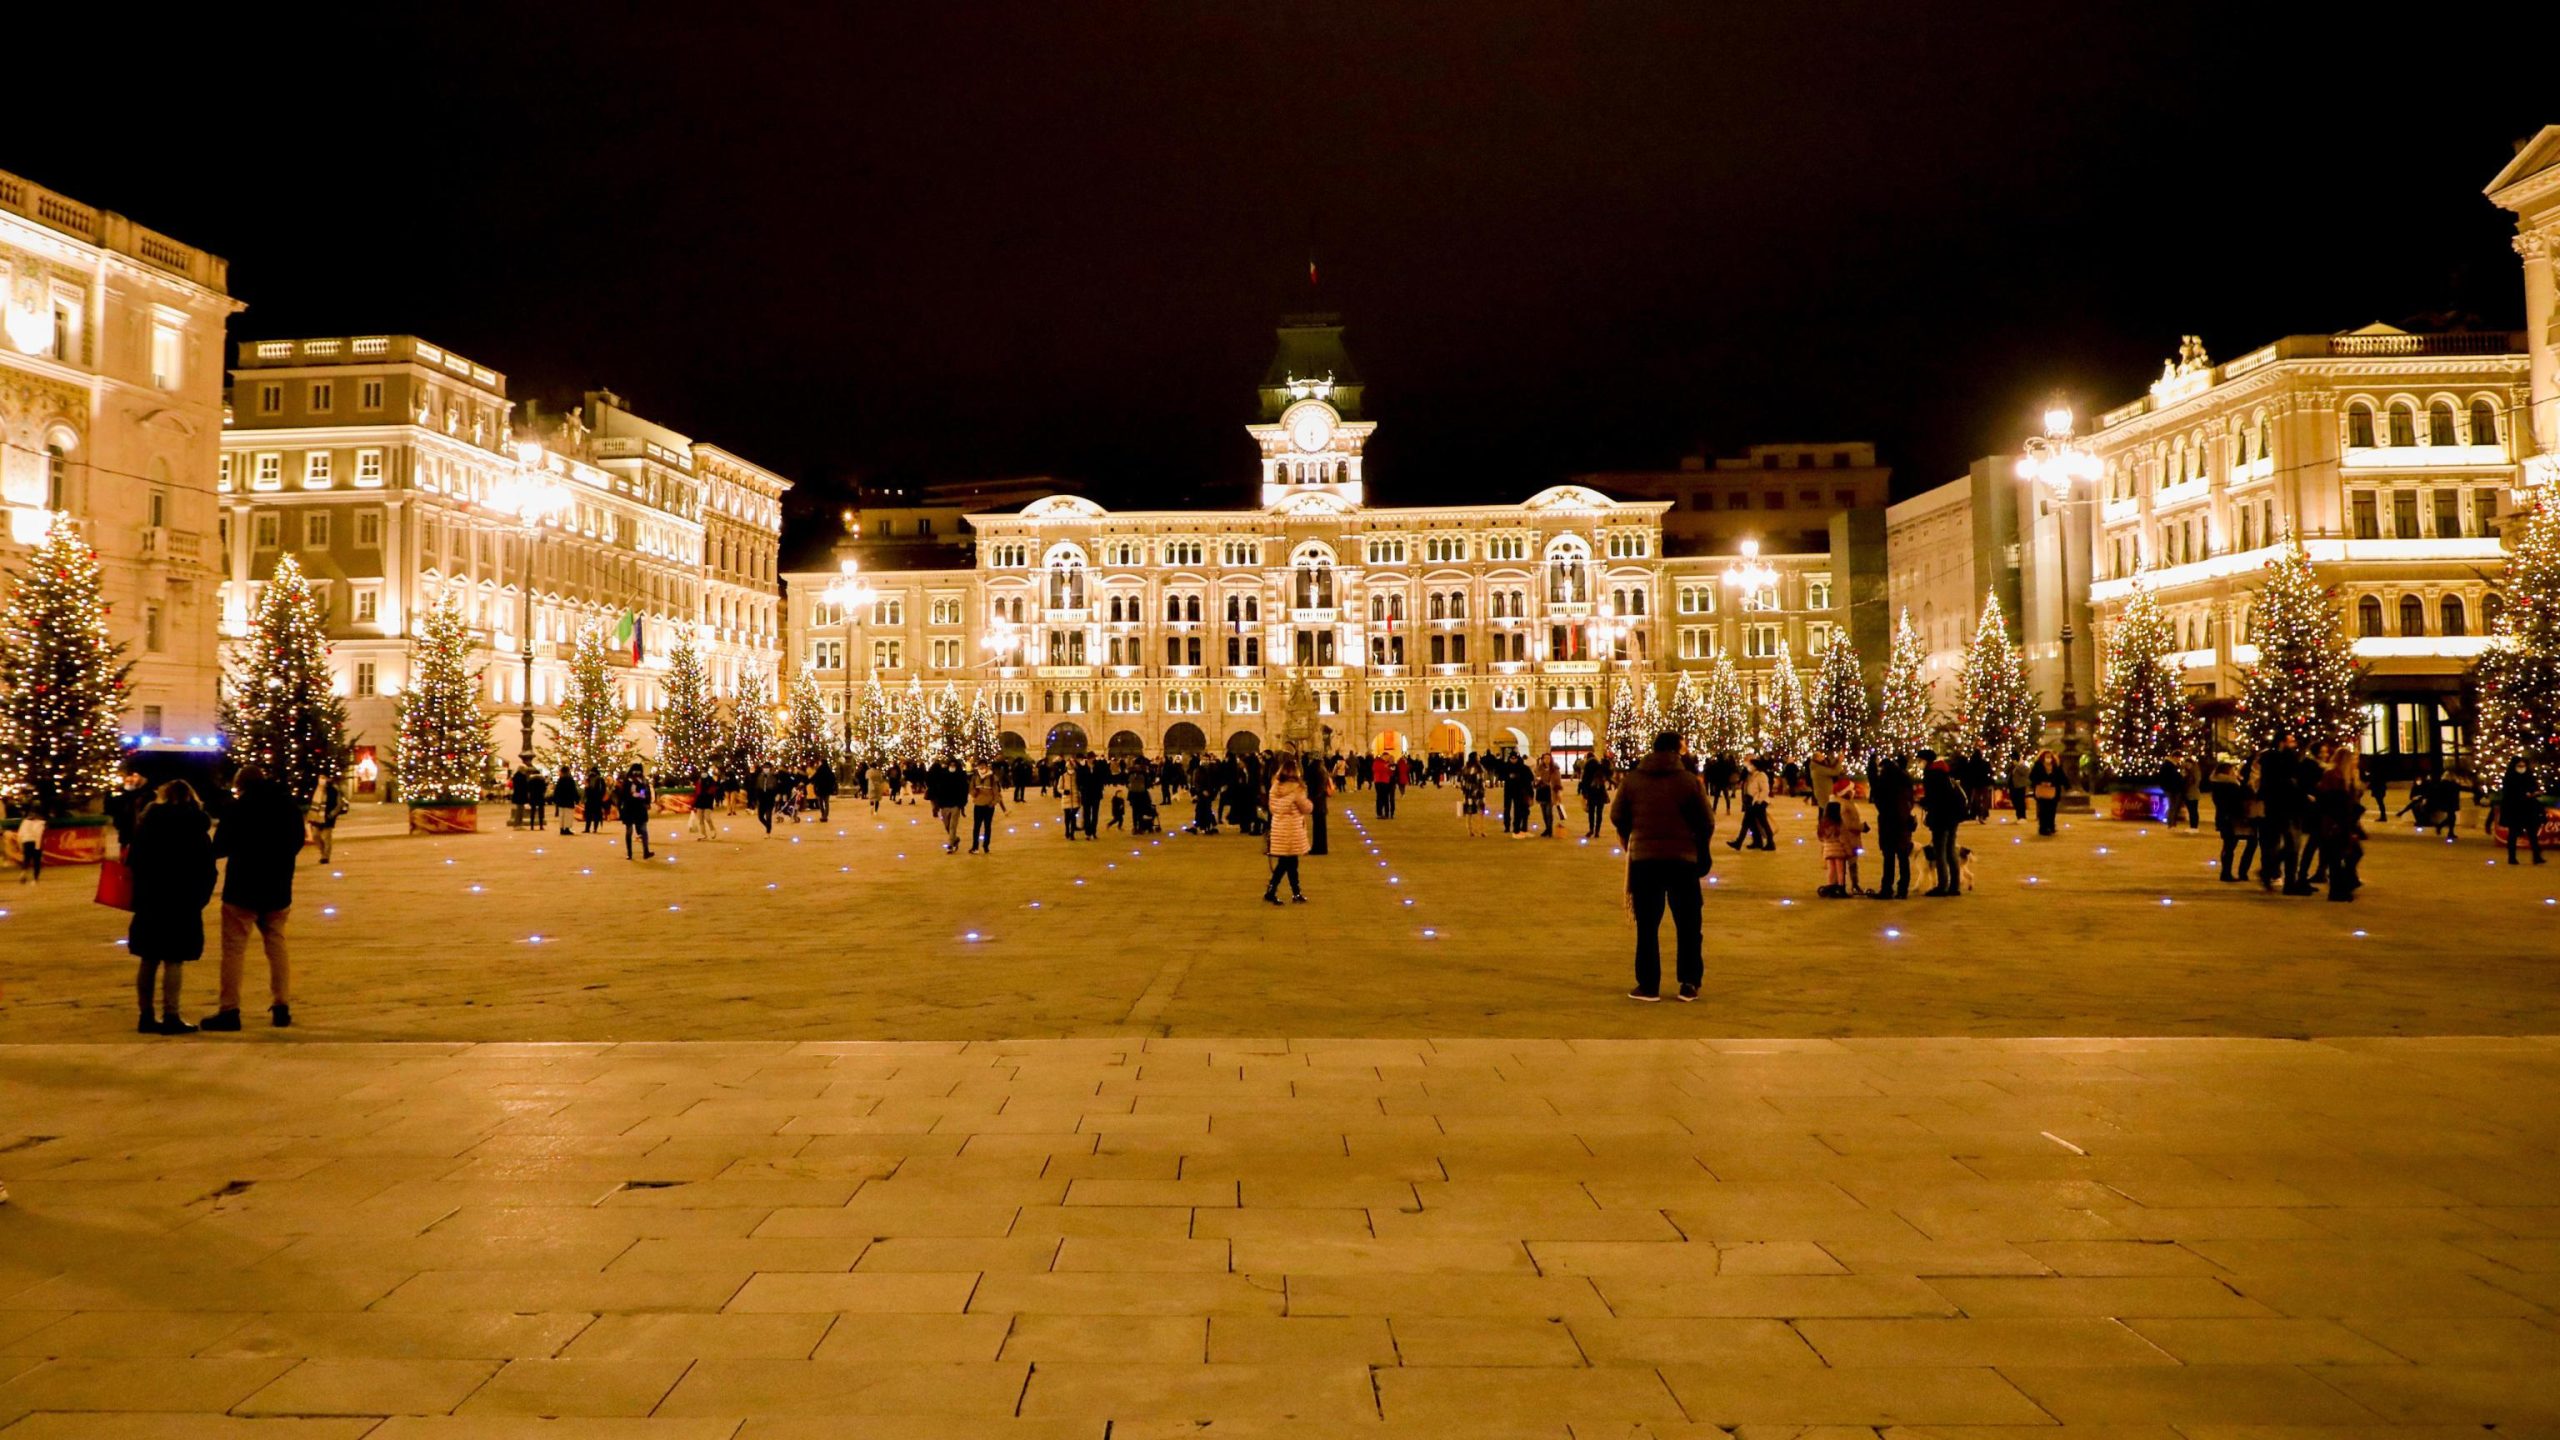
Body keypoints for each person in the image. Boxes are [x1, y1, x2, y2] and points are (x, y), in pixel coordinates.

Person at [1610, 731, 1714, 1002]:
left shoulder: (1632, 781)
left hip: (1645, 862)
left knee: (1647, 925)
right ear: (1677, 750)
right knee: (1689, 923)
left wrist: (1632, 838)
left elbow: (1617, 815)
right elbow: (1706, 821)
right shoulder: (1689, 781)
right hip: (1683, 861)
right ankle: (1689, 982)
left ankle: (1648, 985)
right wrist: (1699, 847)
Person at [205, 765, 305, 1031]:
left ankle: (230, 1009)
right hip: (278, 886)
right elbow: (297, 842)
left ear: (241, 786)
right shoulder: (288, 806)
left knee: (234, 951)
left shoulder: (239, 808)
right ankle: (281, 1005)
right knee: (277, 945)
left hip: (243, 887)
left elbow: (220, 847)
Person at [128, 780, 216, 1036]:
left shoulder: (147, 826)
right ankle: (171, 1014)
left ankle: (145, 1015)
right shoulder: (196, 828)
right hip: (183, 901)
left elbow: (133, 863)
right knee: (174, 960)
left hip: (150, 899)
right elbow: (208, 869)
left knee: (149, 958)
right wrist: (200, 897)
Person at [2315, 749, 2367, 901]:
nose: (2356, 762)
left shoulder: (2348, 776)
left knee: (2350, 853)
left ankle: (2343, 885)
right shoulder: (2333, 776)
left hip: (2345, 820)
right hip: (2335, 821)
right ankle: (2338, 889)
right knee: (2337, 856)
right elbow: (2331, 801)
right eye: (2353, 759)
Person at [1263, 769, 1314, 904]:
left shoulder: (1275, 787)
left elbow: (1272, 808)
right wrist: (1309, 803)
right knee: (1286, 863)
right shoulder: (1296, 789)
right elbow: (1306, 808)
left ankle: (1295, 892)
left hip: (1279, 828)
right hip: (1292, 830)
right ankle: (1272, 890)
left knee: (1289, 862)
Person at [1919, 750, 1966, 897]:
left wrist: (1923, 802)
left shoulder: (1932, 775)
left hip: (1941, 817)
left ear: (1926, 761)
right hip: (1953, 816)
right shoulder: (1945, 773)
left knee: (1940, 851)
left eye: (1920, 760)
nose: (1919, 763)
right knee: (1950, 850)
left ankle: (1942, 885)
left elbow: (1935, 798)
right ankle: (1954, 885)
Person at [1868, 755, 1914, 900]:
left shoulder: (1882, 784)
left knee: (1888, 858)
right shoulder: (1905, 781)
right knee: (1903, 857)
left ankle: (1887, 888)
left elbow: (1872, 779)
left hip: (1888, 823)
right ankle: (1903, 889)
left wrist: (1871, 763)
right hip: (1903, 823)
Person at [2498, 758, 2546, 865]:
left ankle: (2537, 856)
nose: (2521, 768)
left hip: (2528, 809)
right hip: (2514, 809)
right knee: (2513, 834)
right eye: (2519, 766)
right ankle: (2512, 857)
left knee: (2532, 833)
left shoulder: (2529, 776)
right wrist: (2522, 795)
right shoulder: (2510, 777)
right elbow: (2509, 793)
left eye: (2523, 766)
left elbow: (2534, 787)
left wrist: (2534, 793)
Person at [2209, 760, 2250, 882]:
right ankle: (2226, 873)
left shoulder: (2217, 783)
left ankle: (2225, 872)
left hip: (2222, 817)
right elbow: (2240, 797)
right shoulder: (2229, 785)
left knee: (2228, 845)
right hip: (2231, 818)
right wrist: (2241, 782)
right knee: (2230, 845)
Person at [616, 764, 655, 860]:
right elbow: (623, 795)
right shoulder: (628, 781)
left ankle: (644, 851)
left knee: (643, 830)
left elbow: (646, 793)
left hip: (638, 808)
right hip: (631, 808)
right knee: (631, 831)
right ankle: (631, 853)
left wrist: (646, 801)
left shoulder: (642, 781)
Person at [968, 765, 1006, 853]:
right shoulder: (975, 777)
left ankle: (986, 846)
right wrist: (975, 793)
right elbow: (971, 790)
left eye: (983, 766)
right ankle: (975, 847)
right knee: (976, 827)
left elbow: (996, 792)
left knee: (987, 826)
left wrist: (993, 803)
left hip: (989, 805)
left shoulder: (992, 778)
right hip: (978, 805)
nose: (982, 768)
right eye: (980, 766)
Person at [309, 774, 345, 865]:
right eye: (321, 777)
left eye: (324, 777)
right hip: (316, 817)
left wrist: (332, 814)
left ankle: (325, 856)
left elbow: (339, 804)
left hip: (328, 817)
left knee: (326, 838)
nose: (322, 780)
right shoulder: (316, 790)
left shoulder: (333, 790)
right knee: (315, 836)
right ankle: (322, 852)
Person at [2027, 750, 2065, 837]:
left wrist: (2052, 783)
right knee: (2043, 810)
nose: (2048, 758)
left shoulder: (2056, 766)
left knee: (2052, 810)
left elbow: (2061, 778)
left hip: (2053, 791)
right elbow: (2032, 777)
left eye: (2050, 756)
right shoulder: (2038, 766)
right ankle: (2043, 828)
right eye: (2046, 756)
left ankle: (2051, 826)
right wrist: (2041, 782)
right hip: (2042, 791)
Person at [1577, 758, 1610, 840]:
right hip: (1600, 794)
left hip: (1591, 794)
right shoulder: (1600, 770)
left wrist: (1584, 794)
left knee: (1591, 813)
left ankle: (1591, 829)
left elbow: (1583, 783)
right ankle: (1597, 831)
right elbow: (1609, 772)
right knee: (1599, 813)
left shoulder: (1587, 773)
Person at [1458, 761, 1488, 838]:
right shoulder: (1479, 768)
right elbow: (1481, 779)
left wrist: (1463, 789)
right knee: (1480, 811)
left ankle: (1469, 830)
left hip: (1468, 792)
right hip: (1478, 792)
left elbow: (1461, 779)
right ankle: (1481, 830)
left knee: (1469, 811)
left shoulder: (1465, 768)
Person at [14, 809, 44, 884]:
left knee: (26, 859)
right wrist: (37, 846)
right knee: (36, 861)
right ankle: (35, 878)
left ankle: (23, 872)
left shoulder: (24, 822)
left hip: (26, 841)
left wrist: (20, 845)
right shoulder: (40, 823)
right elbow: (38, 835)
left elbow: (20, 834)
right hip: (34, 842)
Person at [551, 767, 580, 837]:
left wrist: (555, 799)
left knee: (562, 815)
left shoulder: (560, 780)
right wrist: (577, 799)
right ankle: (567, 828)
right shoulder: (570, 780)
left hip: (561, 801)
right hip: (569, 800)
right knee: (568, 815)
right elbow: (574, 790)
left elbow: (556, 791)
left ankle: (561, 828)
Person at [691, 773, 719, 840]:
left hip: (708, 803)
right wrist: (694, 805)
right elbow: (696, 795)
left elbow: (711, 794)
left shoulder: (711, 785)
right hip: (699, 803)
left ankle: (712, 830)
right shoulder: (698, 784)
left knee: (707, 818)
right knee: (700, 819)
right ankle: (703, 834)